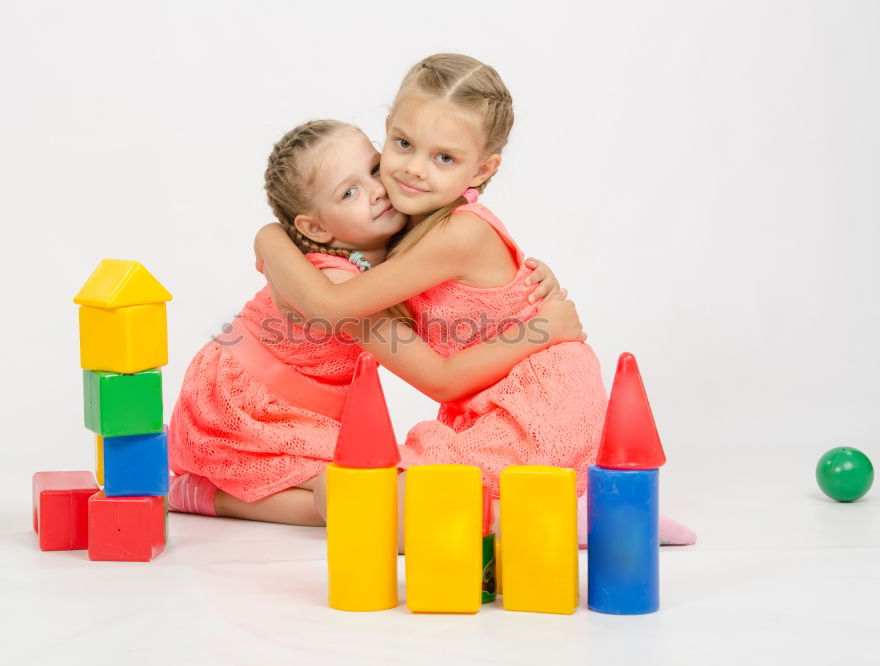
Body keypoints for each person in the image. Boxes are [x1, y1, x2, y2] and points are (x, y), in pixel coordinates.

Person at [255, 55, 695, 545]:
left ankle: (596, 521)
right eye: (403, 145)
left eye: (444, 158)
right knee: (359, 492)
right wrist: (275, 243)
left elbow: (329, 308)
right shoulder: (412, 222)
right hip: (502, 404)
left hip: (539, 407)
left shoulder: (456, 233)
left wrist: (270, 237)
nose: (414, 170)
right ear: (386, 133)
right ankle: (563, 511)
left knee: (376, 506)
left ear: (483, 169)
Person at [167, 118, 583, 528]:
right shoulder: (339, 283)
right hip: (246, 400)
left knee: (364, 482)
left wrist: (527, 277)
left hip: (286, 397)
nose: (377, 192)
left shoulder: (387, 247)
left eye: (372, 169)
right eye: (349, 192)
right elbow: (439, 375)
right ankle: (208, 497)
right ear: (316, 228)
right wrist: (544, 329)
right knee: (361, 492)